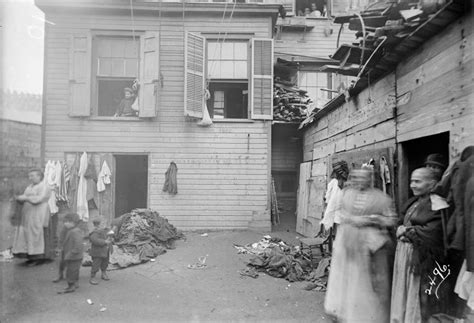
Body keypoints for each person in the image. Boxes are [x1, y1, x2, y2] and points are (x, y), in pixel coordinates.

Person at [325, 168, 397, 323]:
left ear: (370, 179)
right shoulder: (345, 194)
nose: (359, 180)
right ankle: (342, 312)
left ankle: (365, 316)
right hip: (348, 241)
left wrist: (373, 219)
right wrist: (350, 219)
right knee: (346, 277)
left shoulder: (381, 198)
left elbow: (391, 220)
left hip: (370, 243)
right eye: (356, 177)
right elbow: (338, 213)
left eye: (363, 177)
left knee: (366, 281)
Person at [390, 168, 445, 323]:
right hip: (404, 253)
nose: (412, 185)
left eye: (417, 181)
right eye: (411, 181)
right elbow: (401, 221)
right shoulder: (414, 202)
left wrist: (406, 231)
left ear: (432, 183)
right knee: (403, 289)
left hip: (420, 256)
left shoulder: (438, 203)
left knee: (415, 292)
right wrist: (399, 228)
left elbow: (433, 232)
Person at [12, 169, 51, 266]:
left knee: (36, 232)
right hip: (28, 213)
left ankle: (37, 257)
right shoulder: (30, 187)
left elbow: (39, 199)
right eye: (30, 176)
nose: (30, 178)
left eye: (32, 176)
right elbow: (24, 196)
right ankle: (30, 255)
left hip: (39, 212)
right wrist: (18, 198)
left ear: (39, 176)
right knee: (27, 233)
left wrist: (25, 198)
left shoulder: (44, 186)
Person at [58, 213, 84, 294]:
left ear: (72, 222)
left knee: (71, 271)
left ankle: (71, 286)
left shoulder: (75, 232)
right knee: (73, 270)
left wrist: (70, 254)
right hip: (74, 256)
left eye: (66, 222)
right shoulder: (72, 230)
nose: (65, 223)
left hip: (74, 256)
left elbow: (78, 245)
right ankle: (73, 284)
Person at [89, 217, 113, 285]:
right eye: (104, 223)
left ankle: (103, 272)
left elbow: (111, 234)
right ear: (97, 225)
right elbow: (94, 240)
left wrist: (112, 235)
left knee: (105, 262)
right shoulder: (95, 232)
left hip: (106, 250)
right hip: (98, 252)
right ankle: (92, 276)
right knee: (96, 264)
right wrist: (104, 241)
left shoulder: (106, 230)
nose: (106, 224)